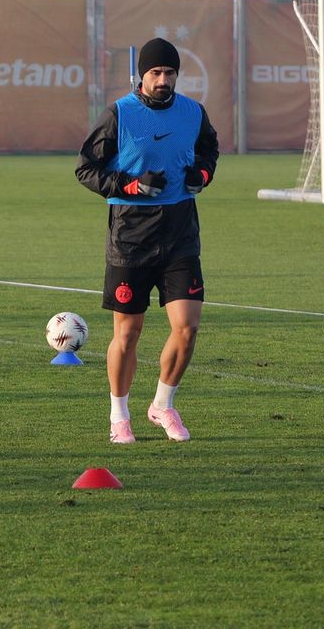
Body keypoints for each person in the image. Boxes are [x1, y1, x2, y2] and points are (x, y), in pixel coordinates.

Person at [75, 37, 219, 444]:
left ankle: (162, 405)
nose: (162, 80)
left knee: (187, 327)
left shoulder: (193, 113)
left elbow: (209, 151)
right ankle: (118, 416)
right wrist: (131, 186)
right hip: (130, 235)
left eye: (169, 73)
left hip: (179, 234)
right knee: (128, 333)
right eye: (155, 73)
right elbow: (86, 169)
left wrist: (202, 176)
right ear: (142, 76)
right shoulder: (119, 114)